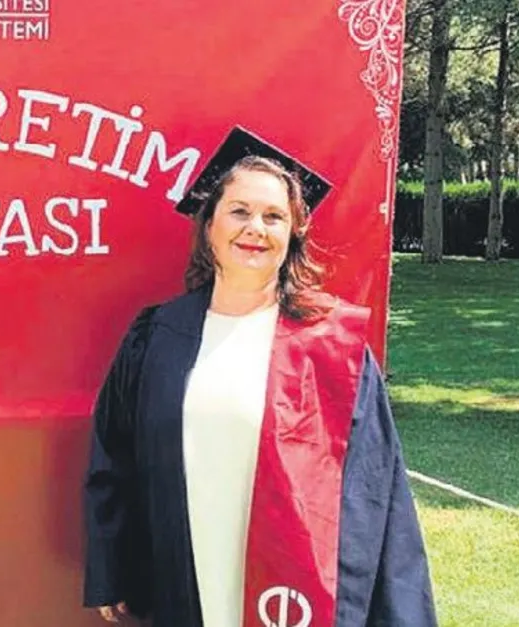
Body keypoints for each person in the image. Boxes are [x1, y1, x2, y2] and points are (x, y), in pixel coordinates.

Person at [82, 154, 437, 626]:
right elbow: (115, 453)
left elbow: (376, 486)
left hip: (297, 586)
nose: (256, 228)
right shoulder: (159, 336)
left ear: (293, 234)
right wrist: (112, 566)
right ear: (209, 226)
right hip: (185, 569)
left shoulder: (333, 346)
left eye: (273, 216)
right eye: (239, 211)